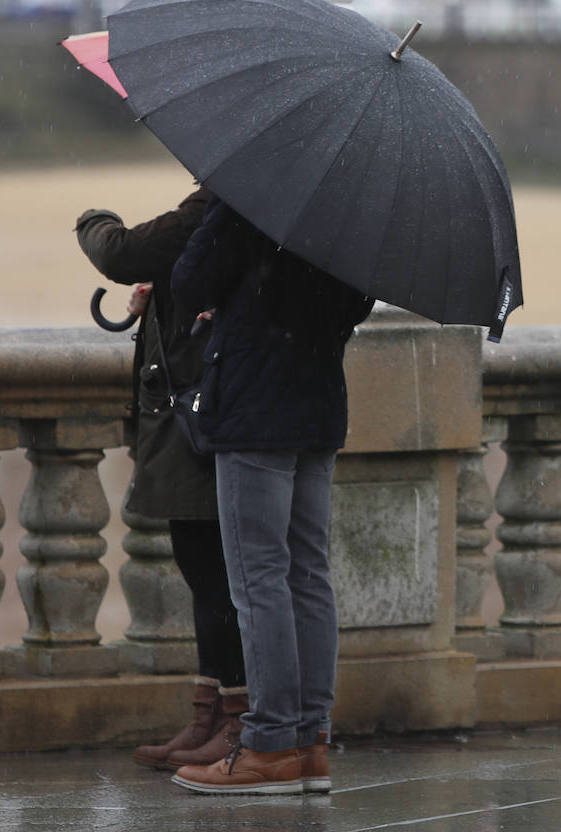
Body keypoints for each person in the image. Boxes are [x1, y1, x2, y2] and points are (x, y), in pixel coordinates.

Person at [166, 196, 374, 796]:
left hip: (256, 407)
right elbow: (352, 304)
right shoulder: (350, 210)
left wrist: (225, 212)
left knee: (259, 576)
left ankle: (269, 744)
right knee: (308, 573)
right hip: (317, 404)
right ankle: (309, 745)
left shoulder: (256, 194)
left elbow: (190, 279)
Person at [75, 189, 250, 772]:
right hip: (197, 415)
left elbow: (121, 252)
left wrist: (92, 218)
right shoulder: (236, 201)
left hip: (200, 419)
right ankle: (211, 715)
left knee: (214, 576)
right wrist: (171, 286)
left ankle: (234, 721)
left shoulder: (221, 201)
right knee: (204, 573)